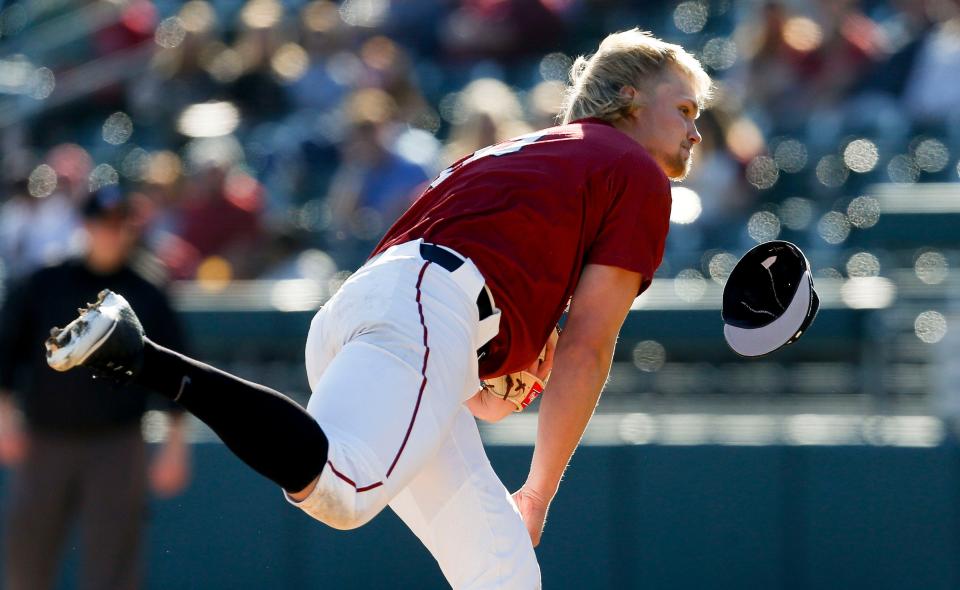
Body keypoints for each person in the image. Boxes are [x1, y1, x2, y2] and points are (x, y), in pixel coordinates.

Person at [44, 29, 710, 589]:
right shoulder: (633, 169)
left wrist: (496, 362)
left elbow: (469, 379)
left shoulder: (534, 152)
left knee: (502, 572)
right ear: (628, 97)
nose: (694, 131)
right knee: (343, 492)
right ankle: (146, 357)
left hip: (387, 304)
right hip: (426, 311)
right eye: (683, 109)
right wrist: (537, 490)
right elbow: (591, 343)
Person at [0, 186, 191, 590]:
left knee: (114, 567)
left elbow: (178, 370)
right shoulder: (46, 282)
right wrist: (3, 418)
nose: (110, 233)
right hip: (46, 439)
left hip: (117, 444)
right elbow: (5, 351)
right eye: (101, 225)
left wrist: (175, 445)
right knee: (28, 557)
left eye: (118, 225)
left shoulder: (146, 290)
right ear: (85, 227)